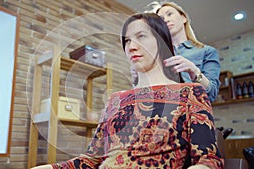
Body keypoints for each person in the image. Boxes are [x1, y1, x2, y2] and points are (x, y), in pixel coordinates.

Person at [32, 13, 224, 169]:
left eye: (141, 36)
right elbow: (90, 160)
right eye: (126, 41)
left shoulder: (190, 93)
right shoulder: (116, 100)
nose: (131, 46)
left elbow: (209, 160)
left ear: (161, 41)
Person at [132, 1, 220, 103]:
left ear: (183, 18)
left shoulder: (207, 51)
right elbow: (144, 98)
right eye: (161, 19)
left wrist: (194, 71)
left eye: (169, 14)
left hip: (193, 115)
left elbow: (212, 95)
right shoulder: (155, 56)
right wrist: (137, 81)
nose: (166, 20)